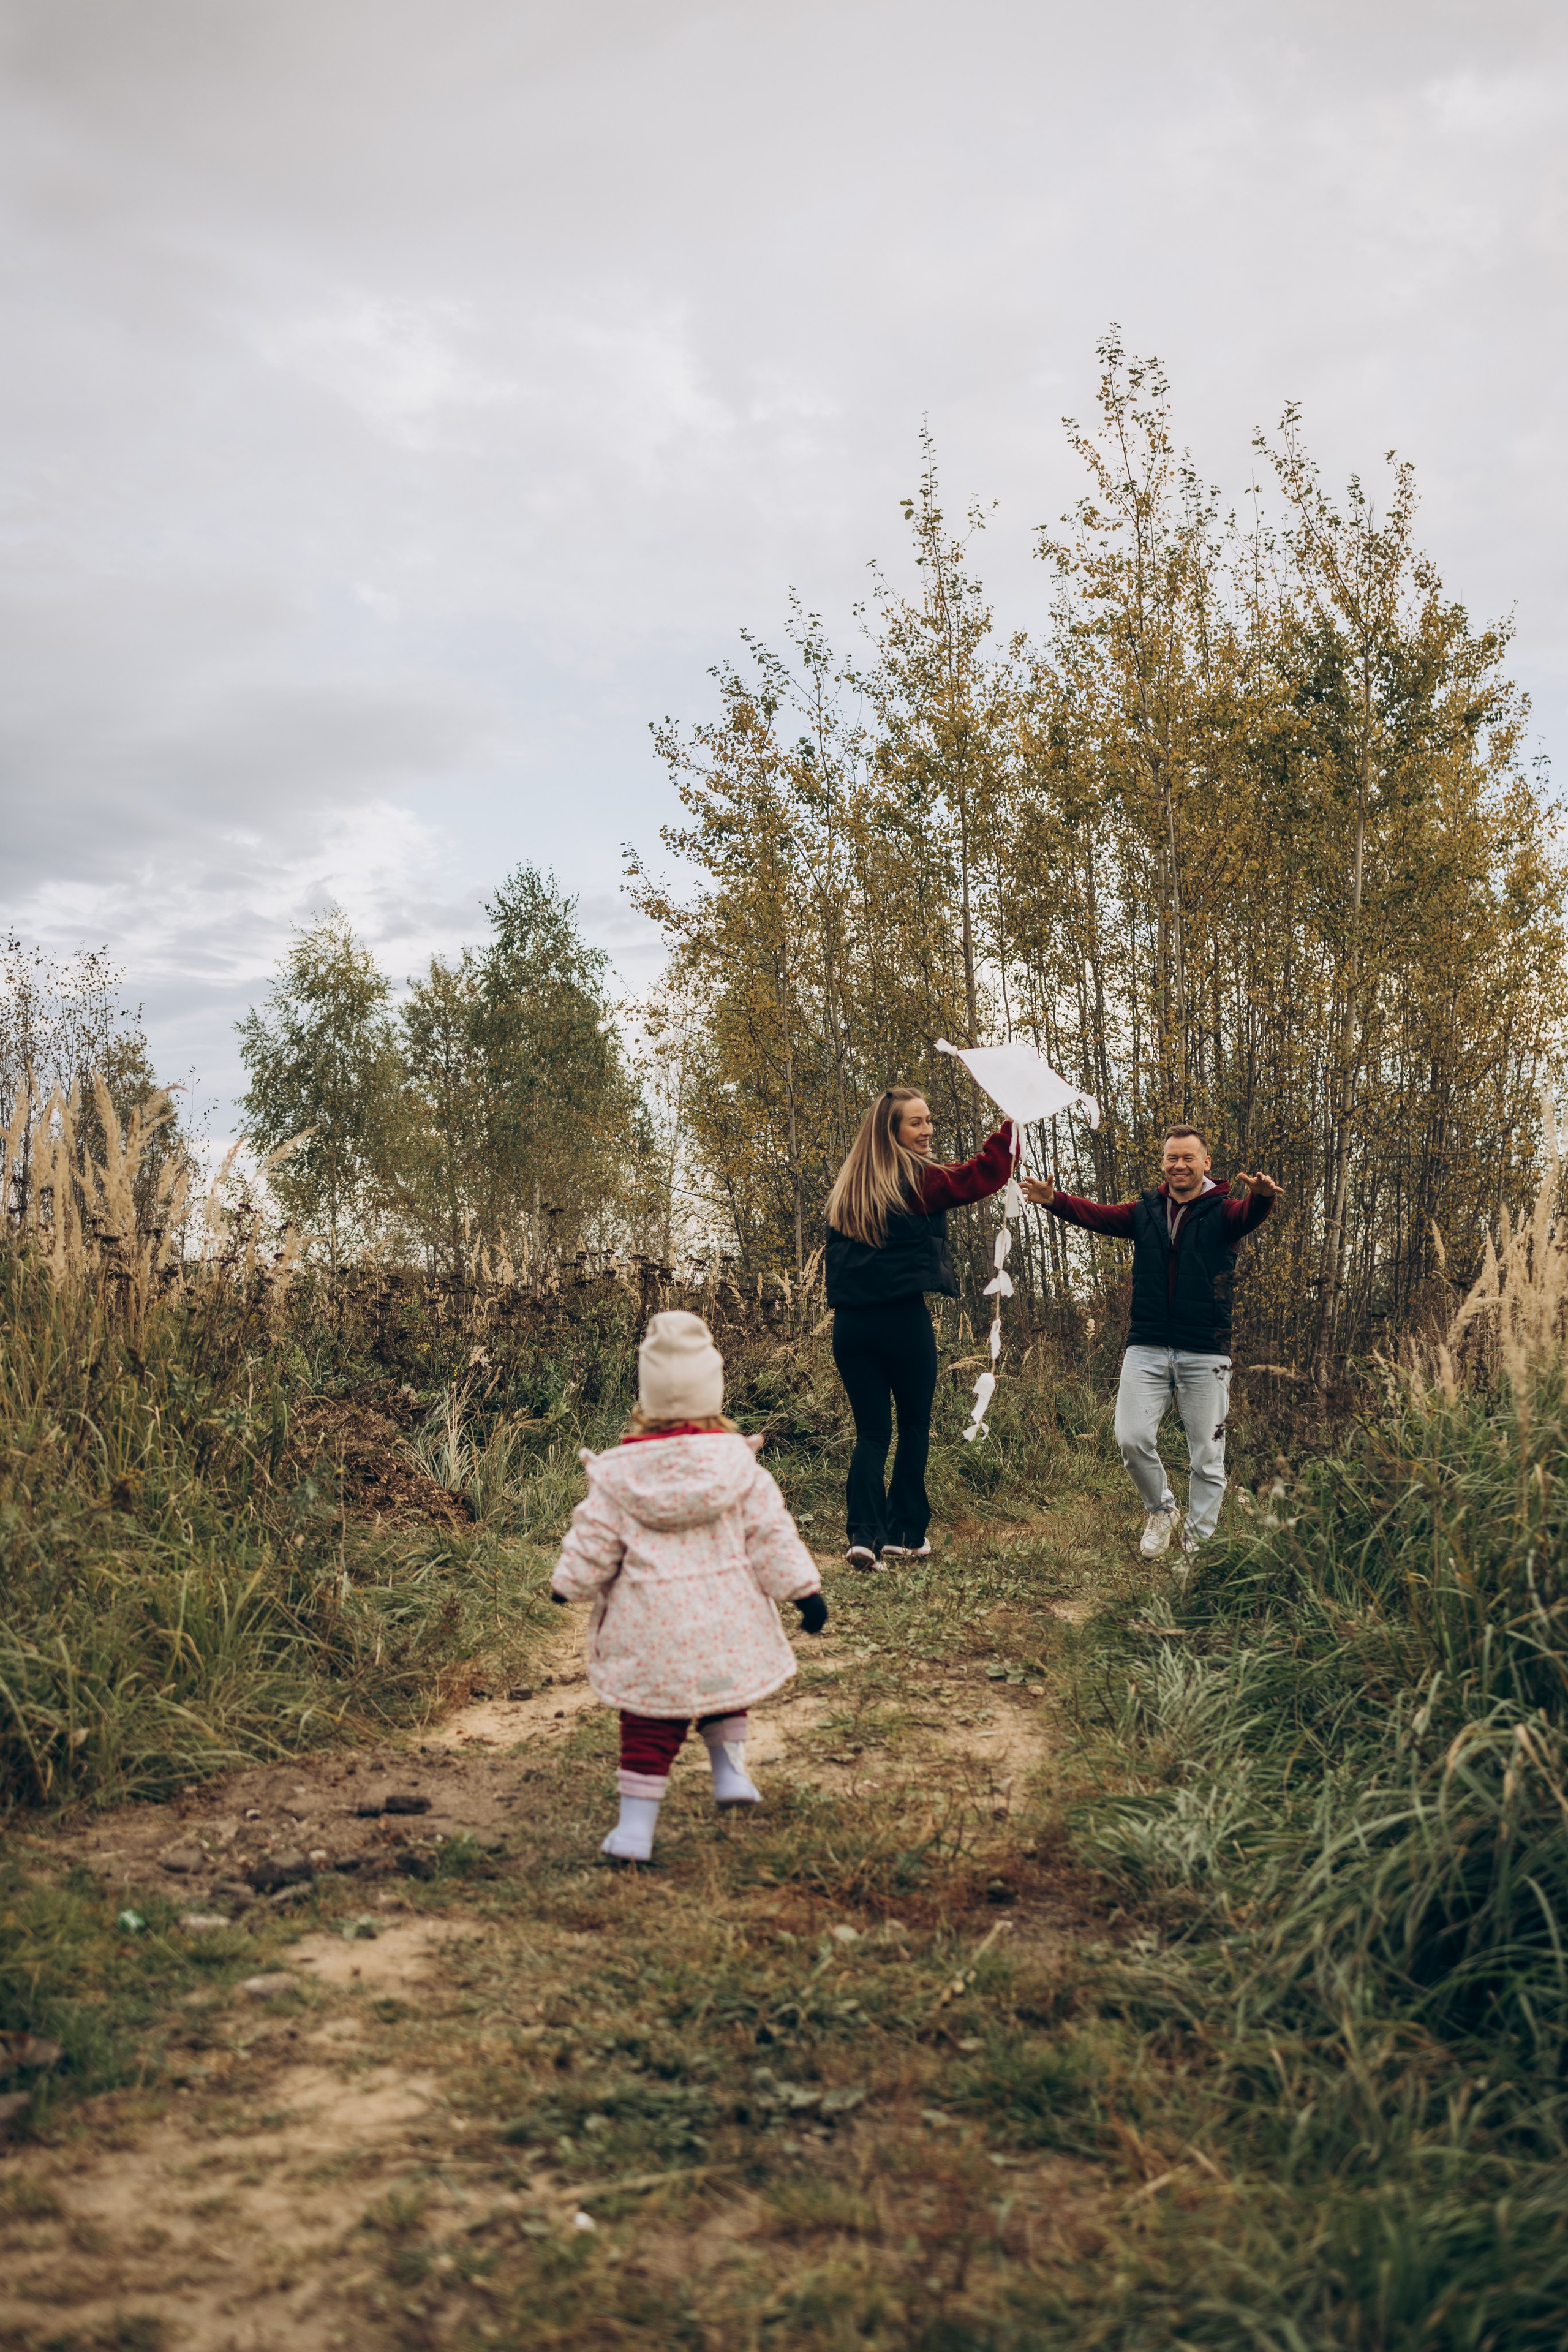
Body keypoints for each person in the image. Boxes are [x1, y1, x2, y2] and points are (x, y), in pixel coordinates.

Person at [551, 1310, 827, 1863]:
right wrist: (804, 1592)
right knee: (723, 1689)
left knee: (650, 1724)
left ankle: (634, 1832)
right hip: (726, 1621)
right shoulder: (740, 1468)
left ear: (647, 1399)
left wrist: (568, 1585)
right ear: (713, 1395)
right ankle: (731, 1775)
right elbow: (771, 1535)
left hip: (648, 1629)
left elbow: (594, 1540)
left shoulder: (620, 1473)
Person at [1022, 1128, 1281, 1562]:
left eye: (1188, 1158)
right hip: (1147, 1345)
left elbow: (1248, 1216)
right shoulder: (1145, 1211)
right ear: (1163, 1163)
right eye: (1171, 1158)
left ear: (1206, 1163)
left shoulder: (1224, 1212)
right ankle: (1162, 1511)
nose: (1179, 1165)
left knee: (1207, 1455)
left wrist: (1262, 1197)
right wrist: (1054, 1200)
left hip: (1206, 1350)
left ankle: (1197, 1546)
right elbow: (1098, 1216)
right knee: (1131, 1439)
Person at [825, 1087, 1016, 1569]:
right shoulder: (917, 1180)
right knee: (913, 1426)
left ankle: (863, 1537)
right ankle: (905, 1534)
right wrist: (1012, 1123)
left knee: (871, 1433)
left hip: (851, 1328)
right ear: (891, 1132)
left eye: (928, 1120)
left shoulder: (848, 1190)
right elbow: (982, 1175)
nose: (928, 1130)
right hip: (901, 1321)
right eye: (916, 1122)